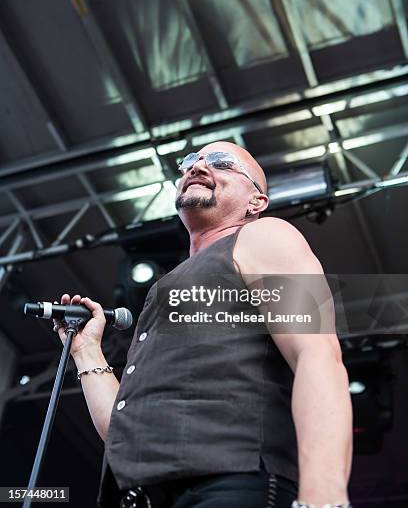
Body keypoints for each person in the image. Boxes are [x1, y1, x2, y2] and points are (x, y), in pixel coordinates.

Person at [55, 141, 353, 508]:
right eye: (190, 162)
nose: (196, 168)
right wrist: (86, 351)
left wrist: (323, 498)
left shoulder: (266, 235)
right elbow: (125, 428)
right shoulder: (166, 288)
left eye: (222, 163)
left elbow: (317, 355)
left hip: (229, 483)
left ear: (255, 202)